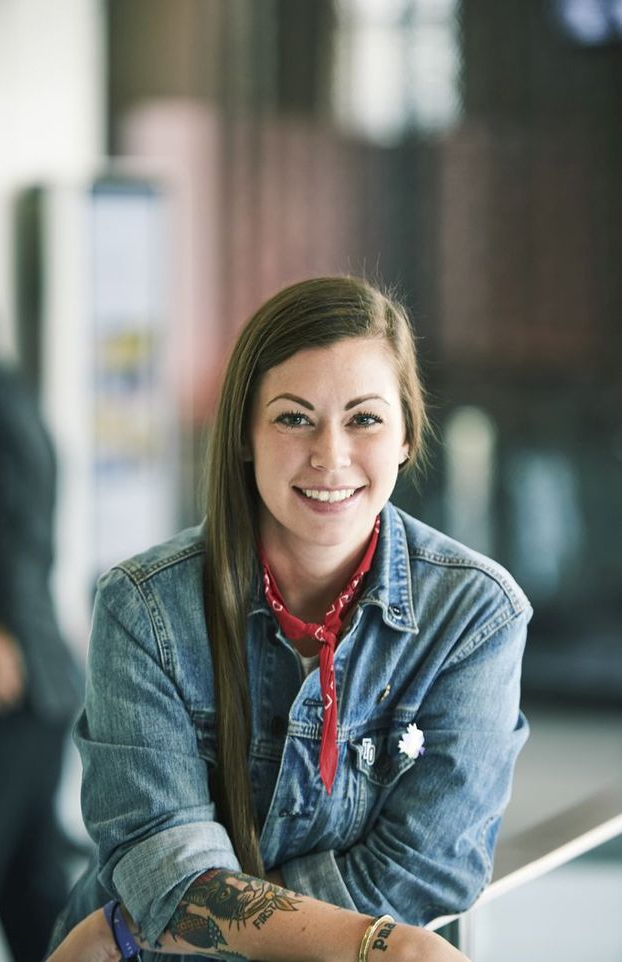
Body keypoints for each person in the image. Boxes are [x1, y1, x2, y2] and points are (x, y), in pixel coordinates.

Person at [46, 276, 531, 962]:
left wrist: (141, 925)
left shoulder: (475, 615)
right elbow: (159, 860)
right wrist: (378, 945)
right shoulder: (144, 607)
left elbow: (428, 868)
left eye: (364, 418)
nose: (330, 455)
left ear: (405, 436)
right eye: (294, 417)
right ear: (245, 435)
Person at [0, 301, 83, 962]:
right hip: (40, 679)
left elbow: (10, 527)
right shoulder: (6, 392)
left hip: (8, 681)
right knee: (33, 891)